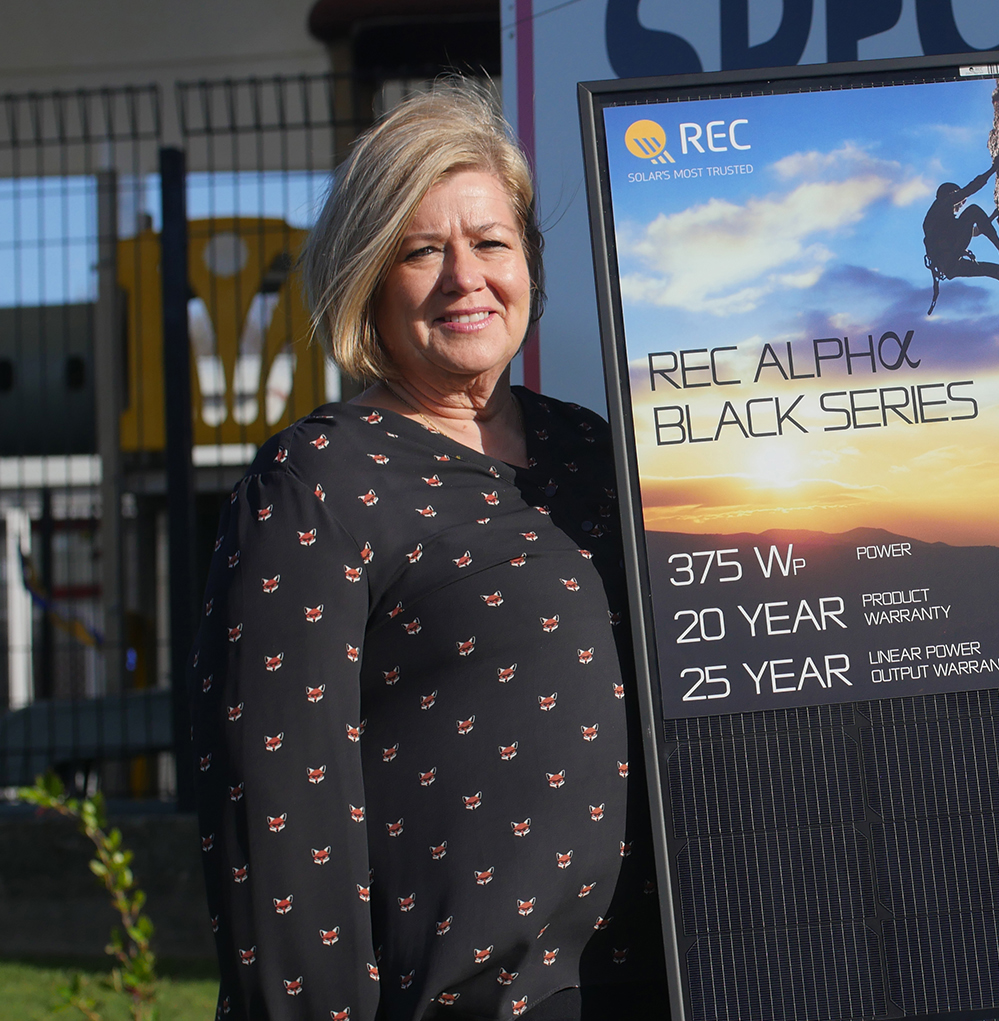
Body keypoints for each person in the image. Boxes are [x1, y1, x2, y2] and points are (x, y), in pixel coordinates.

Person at [191, 83, 665, 1020]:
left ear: (527, 261)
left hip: (661, 982)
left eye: (491, 243)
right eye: (422, 250)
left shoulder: (594, 453)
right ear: (367, 278)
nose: (465, 278)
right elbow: (279, 820)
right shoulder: (313, 484)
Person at [921, 148, 999, 310]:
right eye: (960, 200)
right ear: (951, 195)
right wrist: (993, 169)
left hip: (951, 265)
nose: (961, 204)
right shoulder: (940, 205)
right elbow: (971, 189)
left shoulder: (944, 220)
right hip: (950, 257)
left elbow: (975, 232)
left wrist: (994, 216)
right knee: (973, 210)